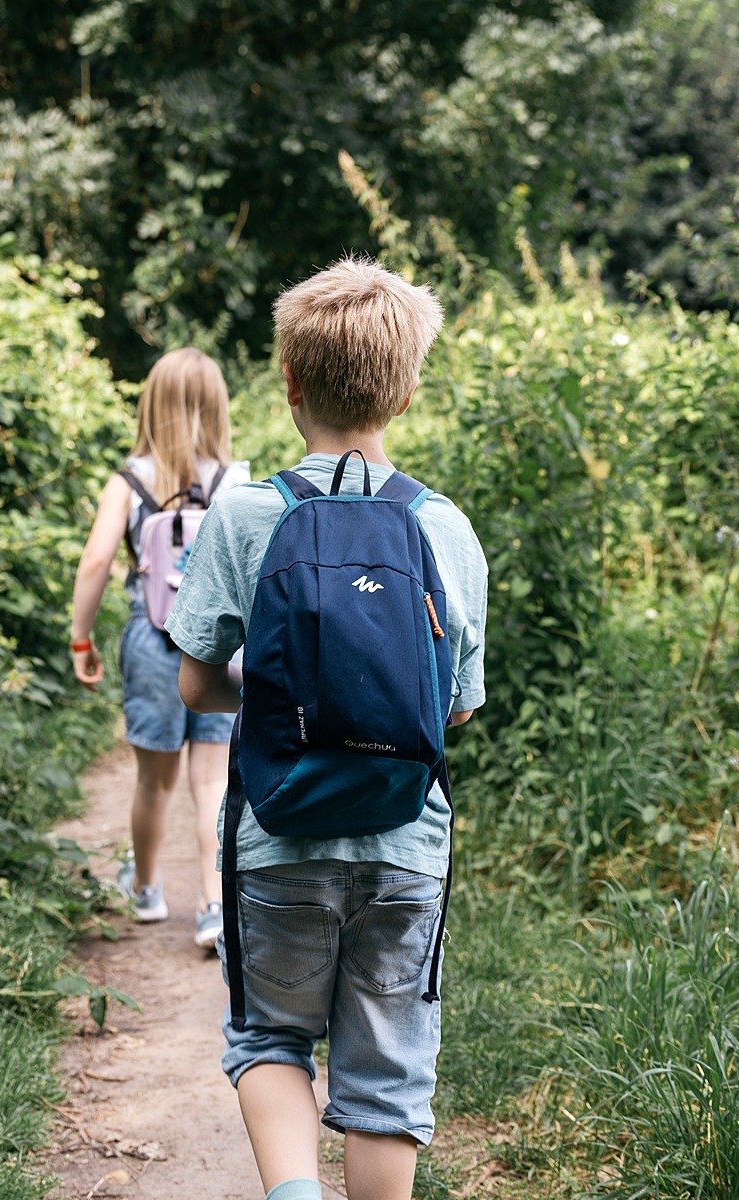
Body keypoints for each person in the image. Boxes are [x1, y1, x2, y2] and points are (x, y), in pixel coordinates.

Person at [168, 259, 487, 1200]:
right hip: (405, 845)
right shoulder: (446, 529)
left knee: (270, 1037)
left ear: (291, 382)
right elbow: (455, 708)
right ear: (408, 388)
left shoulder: (244, 514)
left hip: (276, 835)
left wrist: (277, 701)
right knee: (386, 1079)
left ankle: (294, 1192)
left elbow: (194, 684)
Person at [70, 347, 249, 951]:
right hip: (220, 648)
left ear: (150, 405)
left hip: (151, 641)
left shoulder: (128, 479)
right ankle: (212, 904)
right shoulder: (237, 482)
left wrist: (81, 637)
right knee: (214, 782)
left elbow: (96, 560)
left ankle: (146, 889)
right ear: (218, 407)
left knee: (153, 781)